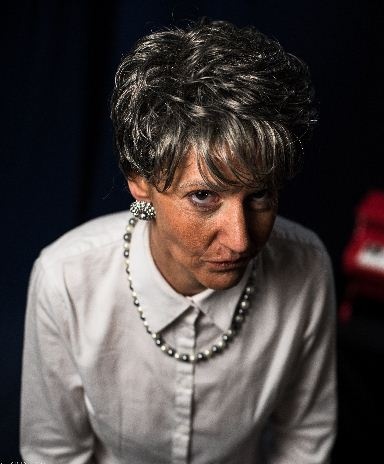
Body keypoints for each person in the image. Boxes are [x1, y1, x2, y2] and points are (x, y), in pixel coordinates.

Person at [20, 18, 337, 463]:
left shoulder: (308, 265)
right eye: (204, 196)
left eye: (260, 195)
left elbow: (305, 438)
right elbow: (53, 452)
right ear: (140, 180)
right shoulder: (65, 280)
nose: (241, 240)